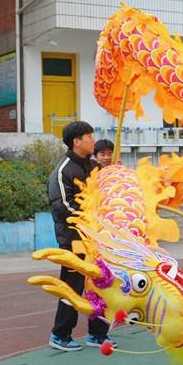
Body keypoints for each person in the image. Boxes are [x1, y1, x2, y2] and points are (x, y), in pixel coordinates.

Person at [46, 121, 112, 352]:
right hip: (74, 239)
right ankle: (60, 334)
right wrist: (94, 216)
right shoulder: (63, 170)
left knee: (99, 283)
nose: (93, 141)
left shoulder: (93, 167)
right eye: (89, 137)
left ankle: (97, 333)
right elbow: (63, 207)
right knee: (72, 286)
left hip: (95, 239)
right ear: (77, 141)